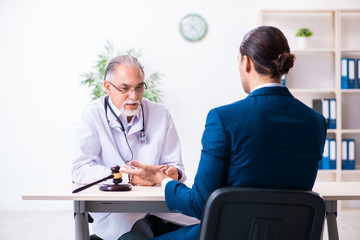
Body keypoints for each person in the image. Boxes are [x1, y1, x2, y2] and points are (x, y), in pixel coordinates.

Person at [121, 26, 327, 240]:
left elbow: (199, 205)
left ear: (246, 62)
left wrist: (160, 178)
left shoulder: (224, 119)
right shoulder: (316, 122)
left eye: (238, 60)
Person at [72, 55, 198, 240]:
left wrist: (173, 173)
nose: (134, 96)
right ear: (107, 87)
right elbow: (80, 169)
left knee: (209, 227)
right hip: (118, 211)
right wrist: (129, 177)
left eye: (139, 88)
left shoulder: (160, 115)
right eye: (125, 89)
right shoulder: (91, 116)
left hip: (162, 206)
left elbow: (176, 165)